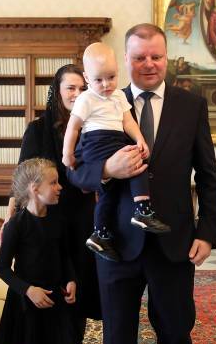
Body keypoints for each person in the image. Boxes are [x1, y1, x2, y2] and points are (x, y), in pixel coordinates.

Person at [68, 23, 216, 344]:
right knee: (118, 340)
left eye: (157, 56)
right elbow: (73, 171)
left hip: (175, 242)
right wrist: (107, 170)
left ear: (167, 58)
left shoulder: (192, 106)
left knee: (175, 333)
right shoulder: (99, 101)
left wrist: (208, 233)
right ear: (126, 59)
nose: (149, 63)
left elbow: (209, 178)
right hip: (117, 243)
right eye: (140, 57)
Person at [2, 64, 101, 344]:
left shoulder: (95, 127)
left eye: (82, 88)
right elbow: (22, 176)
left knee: (75, 298)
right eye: (70, 87)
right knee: (44, 297)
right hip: (44, 225)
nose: (77, 93)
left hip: (83, 223)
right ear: (57, 92)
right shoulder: (37, 129)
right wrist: (10, 218)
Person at [62, 42, 170, 262]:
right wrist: (68, 154)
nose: (106, 84)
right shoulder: (86, 98)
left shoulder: (119, 96)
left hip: (115, 139)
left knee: (107, 195)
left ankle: (100, 234)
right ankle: (143, 210)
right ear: (87, 78)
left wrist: (140, 139)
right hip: (96, 144)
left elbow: (128, 122)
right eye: (99, 80)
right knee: (136, 165)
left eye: (111, 77)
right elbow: (73, 127)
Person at [0, 158, 80, 344]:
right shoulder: (17, 225)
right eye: (53, 183)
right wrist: (29, 290)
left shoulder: (58, 220)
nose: (60, 187)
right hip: (29, 301)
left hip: (55, 298)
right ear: (34, 188)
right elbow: (2, 267)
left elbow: (65, 255)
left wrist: (71, 280)